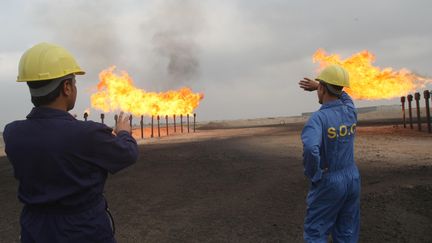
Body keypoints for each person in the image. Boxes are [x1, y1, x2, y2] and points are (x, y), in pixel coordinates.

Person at [3, 42, 139, 243]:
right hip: (83, 230)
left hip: (35, 230)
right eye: (74, 83)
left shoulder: (12, 133)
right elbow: (127, 154)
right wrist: (124, 133)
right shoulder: (87, 134)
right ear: (66, 87)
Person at [299, 65, 360, 243]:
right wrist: (321, 86)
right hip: (352, 178)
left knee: (316, 231)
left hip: (329, 181)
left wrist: (314, 174)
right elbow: (344, 95)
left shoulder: (317, 119)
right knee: (346, 231)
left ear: (322, 88)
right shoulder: (350, 110)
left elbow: (311, 149)